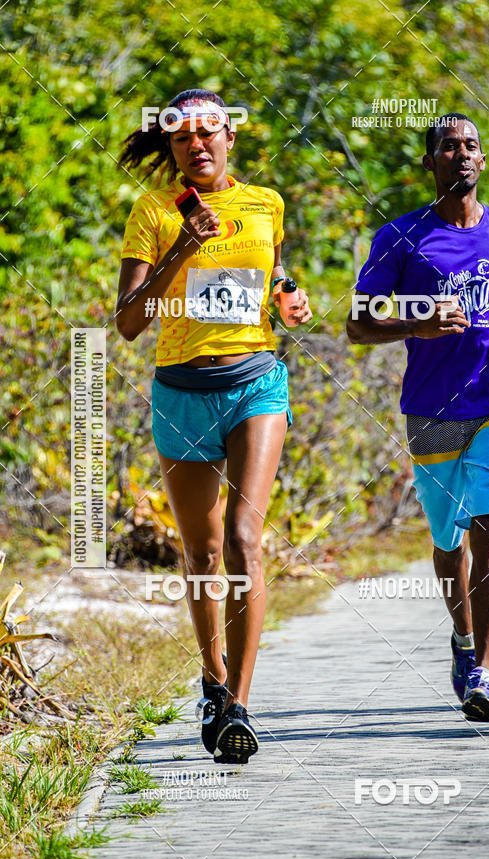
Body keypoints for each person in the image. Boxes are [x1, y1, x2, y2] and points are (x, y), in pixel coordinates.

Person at [115, 89, 312, 762]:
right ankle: (212, 676)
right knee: (200, 556)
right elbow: (130, 322)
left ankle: (239, 707)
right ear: (170, 148)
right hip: (182, 392)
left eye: (208, 133)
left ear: (230, 135)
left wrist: (288, 295)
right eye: (181, 138)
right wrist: (179, 250)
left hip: (256, 381)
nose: (196, 145)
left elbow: (274, 269)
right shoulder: (154, 211)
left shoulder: (267, 202)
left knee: (242, 537)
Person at [346, 114, 489, 721]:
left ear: (483, 161)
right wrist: (418, 324)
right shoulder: (401, 238)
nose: (461, 155)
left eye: (471, 146)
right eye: (448, 147)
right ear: (430, 163)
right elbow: (358, 325)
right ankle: (462, 642)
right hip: (431, 407)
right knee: (447, 541)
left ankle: (486, 674)